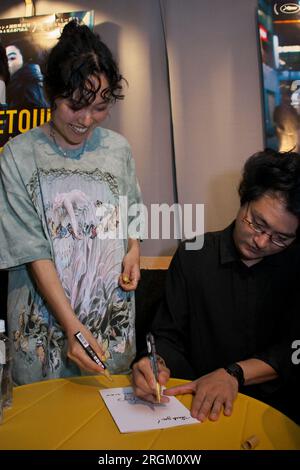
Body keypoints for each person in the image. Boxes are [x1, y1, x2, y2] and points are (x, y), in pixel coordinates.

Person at [0, 20, 143, 385]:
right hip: (43, 330)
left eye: (100, 107)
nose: (86, 120)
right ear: (51, 93)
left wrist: (133, 249)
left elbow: (132, 213)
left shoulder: (117, 149)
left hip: (108, 324)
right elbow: (30, 248)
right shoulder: (18, 155)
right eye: (75, 106)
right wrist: (72, 328)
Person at [132, 149, 300, 424]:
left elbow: (293, 349)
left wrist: (233, 373)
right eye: (257, 223)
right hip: (197, 408)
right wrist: (154, 363)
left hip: (275, 412)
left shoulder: (295, 265)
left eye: (280, 238)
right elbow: (167, 333)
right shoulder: (194, 255)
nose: (261, 242)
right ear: (243, 200)